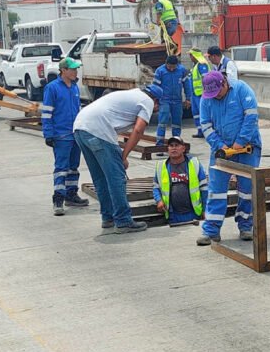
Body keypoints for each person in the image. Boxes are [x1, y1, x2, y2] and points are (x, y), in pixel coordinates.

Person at [73, 85, 163, 234]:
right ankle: (123, 221)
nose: (157, 109)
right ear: (156, 100)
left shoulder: (133, 94)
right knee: (116, 178)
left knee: (100, 178)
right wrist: (123, 156)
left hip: (80, 128)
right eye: (159, 105)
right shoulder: (147, 101)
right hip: (98, 129)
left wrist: (119, 154)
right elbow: (139, 130)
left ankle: (108, 217)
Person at [197, 71, 262, 246]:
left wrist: (241, 141)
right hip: (221, 150)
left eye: (218, 92)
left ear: (224, 83)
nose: (215, 97)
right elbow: (206, 125)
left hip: (248, 148)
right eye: (212, 95)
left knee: (247, 190)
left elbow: (251, 117)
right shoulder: (206, 98)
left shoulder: (241, 89)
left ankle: (246, 226)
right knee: (216, 190)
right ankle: (211, 231)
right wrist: (219, 145)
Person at [42, 57, 89, 216]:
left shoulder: (75, 87)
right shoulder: (52, 88)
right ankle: (58, 199)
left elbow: (78, 110)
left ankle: (71, 194)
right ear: (63, 71)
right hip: (61, 135)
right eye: (73, 69)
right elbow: (47, 112)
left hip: (75, 134)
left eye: (76, 69)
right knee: (61, 168)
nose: (76, 72)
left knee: (73, 167)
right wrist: (48, 134)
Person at [152, 137, 208, 225]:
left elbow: (204, 188)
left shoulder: (194, 164)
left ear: (183, 148)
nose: (174, 148)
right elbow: (156, 187)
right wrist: (159, 200)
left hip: (193, 213)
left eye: (177, 145)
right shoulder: (161, 166)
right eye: (171, 145)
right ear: (168, 149)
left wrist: (205, 210)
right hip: (172, 215)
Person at [153, 55, 191, 145]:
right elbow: (155, 87)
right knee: (162, 122)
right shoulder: (160, 71)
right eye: (169, 67)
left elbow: (187, 85)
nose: (171, 69)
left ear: (177, 65)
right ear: (166, 64)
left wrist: (188, 99)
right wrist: (155, 101)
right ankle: (159, 144)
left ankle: (176, 143)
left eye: (173, 67)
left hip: (177, 101)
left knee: (177, 123)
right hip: (164, 100)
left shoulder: (182, 70)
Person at [188, 48, 210, 138]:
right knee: (196, 113)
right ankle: (200, 131)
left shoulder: (202, 65)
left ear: (195, 55)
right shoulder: (195, 65)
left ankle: (206, 131)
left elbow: (206, 79)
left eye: (191, 55)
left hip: (201, 94)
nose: (190, 57)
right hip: (195, 94)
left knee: (203, 113)